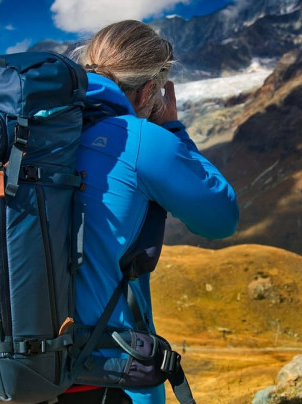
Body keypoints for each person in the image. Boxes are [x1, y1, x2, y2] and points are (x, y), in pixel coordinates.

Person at [59, 20, 239, 404]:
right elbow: (221, 217)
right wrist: (173, 129)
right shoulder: (140, 139)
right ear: (147, 91)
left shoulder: (40, 131)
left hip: (20, 371)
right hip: (108, 378)